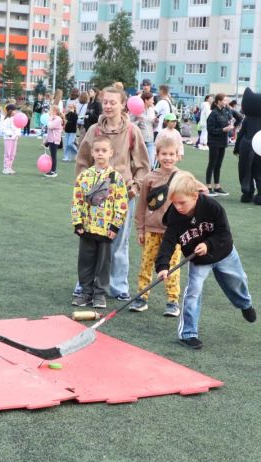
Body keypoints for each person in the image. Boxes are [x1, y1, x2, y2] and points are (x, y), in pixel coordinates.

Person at [155, 171, 256, 350]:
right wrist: (162, 266)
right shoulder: (174, 216)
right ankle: (188, 334)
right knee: (193, 292)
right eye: (174, 202)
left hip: (224, 253)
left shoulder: (212, 207)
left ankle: (244, 304)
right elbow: (168, 242)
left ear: (195, 196)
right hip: (198, 261)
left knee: (238, 280)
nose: (177, 207)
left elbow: (224, 233)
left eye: (182, 202)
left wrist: (208, 244)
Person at [75, 86, 151, 301]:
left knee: (118, 243)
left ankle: (118, 287)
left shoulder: (131, 131)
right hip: (95, 199)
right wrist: (84, 189)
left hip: (121, 198)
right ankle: (85, 286)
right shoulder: (94, 131)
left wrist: (135, 186)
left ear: (122, 105)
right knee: (90, 243)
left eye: (112, 102)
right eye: (105, 102)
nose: (108, 106)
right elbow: (82, 162)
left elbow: (143, 165)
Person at [70, 136, 129, 309]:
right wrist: (78, 222)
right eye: (97, 150)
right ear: (92, 153)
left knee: (104, 264)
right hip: (87, 227)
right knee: (85, 261)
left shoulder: (116, 178)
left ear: (111, 153)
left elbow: (121, 203)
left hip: (105, 230)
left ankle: (99, 293)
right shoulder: (84, 176)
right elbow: (77, 200)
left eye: (104, 150)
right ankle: (85, 292)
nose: (100, 154)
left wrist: (115, 225)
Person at [132, 137, 183, 316]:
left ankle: (172, 301)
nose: (168, 158)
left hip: (173, 233)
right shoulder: (149, 178)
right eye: (164, 154)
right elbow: (141, 206)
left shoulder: (181, 178)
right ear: (157, 155)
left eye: (172, 154)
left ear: (178, 156)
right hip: (151, 231)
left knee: (172, 266)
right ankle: (142, 297)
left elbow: (194, 196)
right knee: (146, 264)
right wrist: (140, 228)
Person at [204, 93, 235, 196]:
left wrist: (230, 125)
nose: (226, 102)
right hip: (214, 142)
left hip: (222, 141)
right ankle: (208, 187)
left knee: (219, 164)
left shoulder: (226, 112)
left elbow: (233, 119)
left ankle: (217, 186)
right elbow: (210, 129)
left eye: (227, 100)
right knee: (212, 164)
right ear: (218, 101)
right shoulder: (213, 113)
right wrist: (223, 129)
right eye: (224, 100)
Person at [133, 91, 156, 168]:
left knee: (151, 164)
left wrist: (156, 122)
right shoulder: (137, 109)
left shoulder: (152, 110)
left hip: (150, 140)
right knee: (139, 164)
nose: (153, 101)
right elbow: (129, 124)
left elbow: (153, 125)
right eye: (151, 99)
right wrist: (138, 122)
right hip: (140, 141)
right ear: (146, 100)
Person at [1, 104, 21, 175]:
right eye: (14, 110)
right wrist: (8, 133)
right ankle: (5, 168)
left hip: (14, 138)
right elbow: (3, 129)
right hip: (8, 138)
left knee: (13, 154)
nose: (16, 112)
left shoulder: (16, 119)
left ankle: (10, 167)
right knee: (8, 153)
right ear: (10, 111)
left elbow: (18, 127)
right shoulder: (6, 119)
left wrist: (18, 134)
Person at [44, 104, 63, 177]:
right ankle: (51, 170)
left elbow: (50, 126)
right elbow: (49, 131)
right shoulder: (53, 119)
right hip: (51, 139)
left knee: (53, 156)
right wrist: (46, 140)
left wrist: (49, 119)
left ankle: (53, 171)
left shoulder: (57, 119)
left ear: (54, 111)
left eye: (50, 110)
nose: (49, 112)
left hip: (55, 140)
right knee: (52, 155)